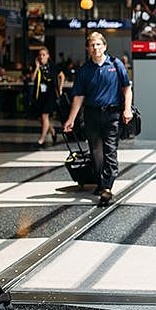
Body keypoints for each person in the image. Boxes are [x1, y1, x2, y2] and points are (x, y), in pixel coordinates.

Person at [63, 32, 132, 205]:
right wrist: (70, 119)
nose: (95, 48)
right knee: (95, 153)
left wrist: (127, 109)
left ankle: (107, 187)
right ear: (88, 49)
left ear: (105, 46)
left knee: (110, 150)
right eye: (92, 45)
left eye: (98, 44)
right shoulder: (85, 70)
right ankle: (101, 182)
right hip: (91, 114)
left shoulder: (116, 65)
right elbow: (78, 96)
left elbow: (126, 89)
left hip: (112, 114)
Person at [33, 48, 65, 146]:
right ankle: (52, 131)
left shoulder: (52, 66)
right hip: (40, 95)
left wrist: (60, 87)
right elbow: (33, 78)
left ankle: (41, 139)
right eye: (40, 55)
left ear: (48, 56)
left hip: (50, 94)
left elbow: (62, 75)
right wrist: (37, 67)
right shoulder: (38, 67)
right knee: (40, 118)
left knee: (44, 116)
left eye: (43, 54)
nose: (41, 57)